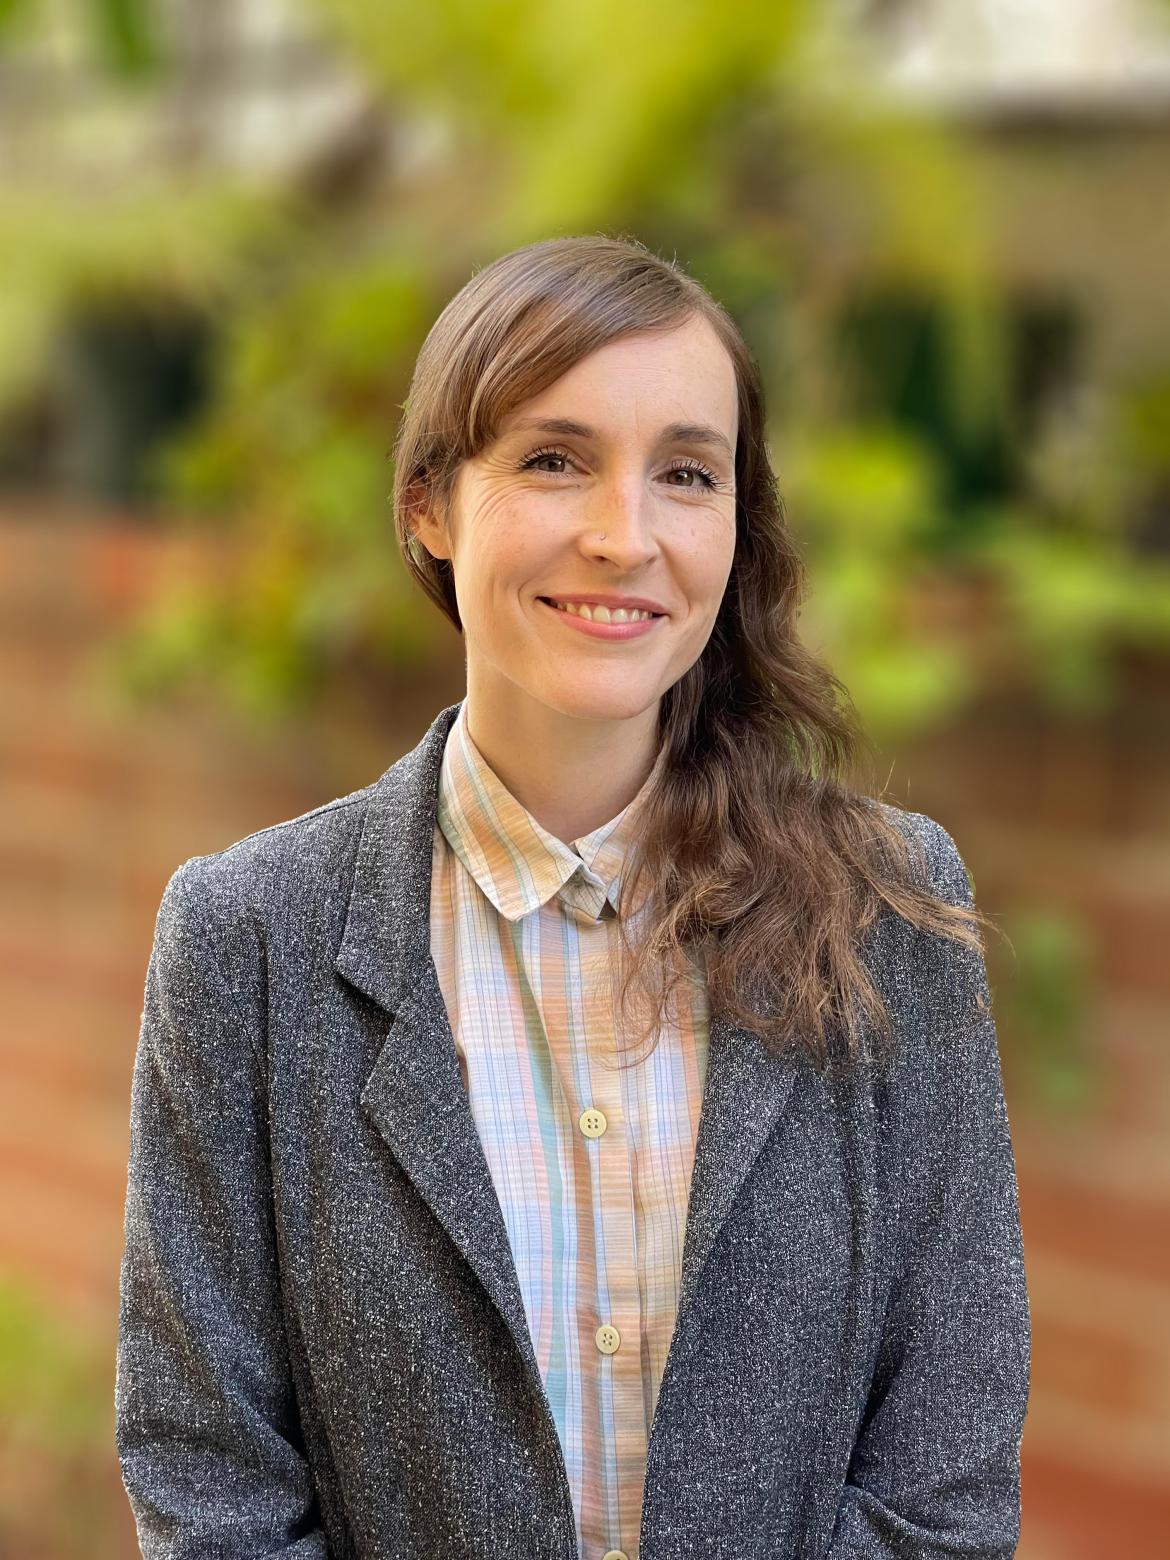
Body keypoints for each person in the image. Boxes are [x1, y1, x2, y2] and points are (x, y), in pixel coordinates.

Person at [115, 234, 1031, 1560]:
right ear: (428, 503)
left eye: (685, 474)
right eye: (554, 459)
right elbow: (211, 1480)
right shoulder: (250, 937)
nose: (624, 536)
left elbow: (942, 1474)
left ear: (735, 519)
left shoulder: (883, 908)